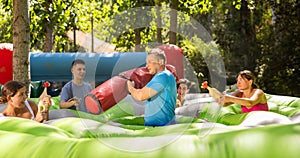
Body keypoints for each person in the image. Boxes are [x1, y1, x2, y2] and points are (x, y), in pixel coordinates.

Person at [127, 48, 177, 126]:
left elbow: (141, 96)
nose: (146, 66)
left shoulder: (163, 76)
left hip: (161, 126)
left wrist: (130, 88)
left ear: (161, 62)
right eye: (146, 63)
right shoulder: (165, 76)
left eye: (150, 62)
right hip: (160, 125)